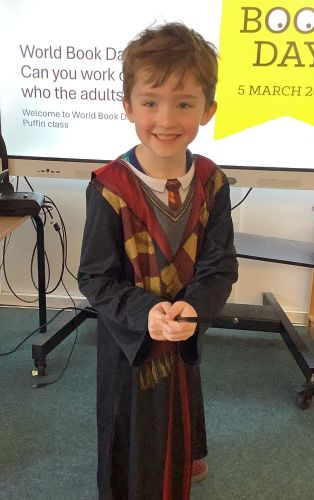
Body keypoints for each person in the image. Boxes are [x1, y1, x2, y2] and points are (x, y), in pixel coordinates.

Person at [78, 21, 238, 500]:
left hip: (183, 329)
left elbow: (219, 267)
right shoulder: (109, 188)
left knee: (179, 402)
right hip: (129, 342)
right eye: (150, 102)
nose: (166, 119)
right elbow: (95, 278)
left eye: (184, 103)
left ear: (208, 110)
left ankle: (185, 459)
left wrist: (195, 309)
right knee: (130, 432)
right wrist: (146, 313)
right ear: (128, 106)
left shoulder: (212, 182)